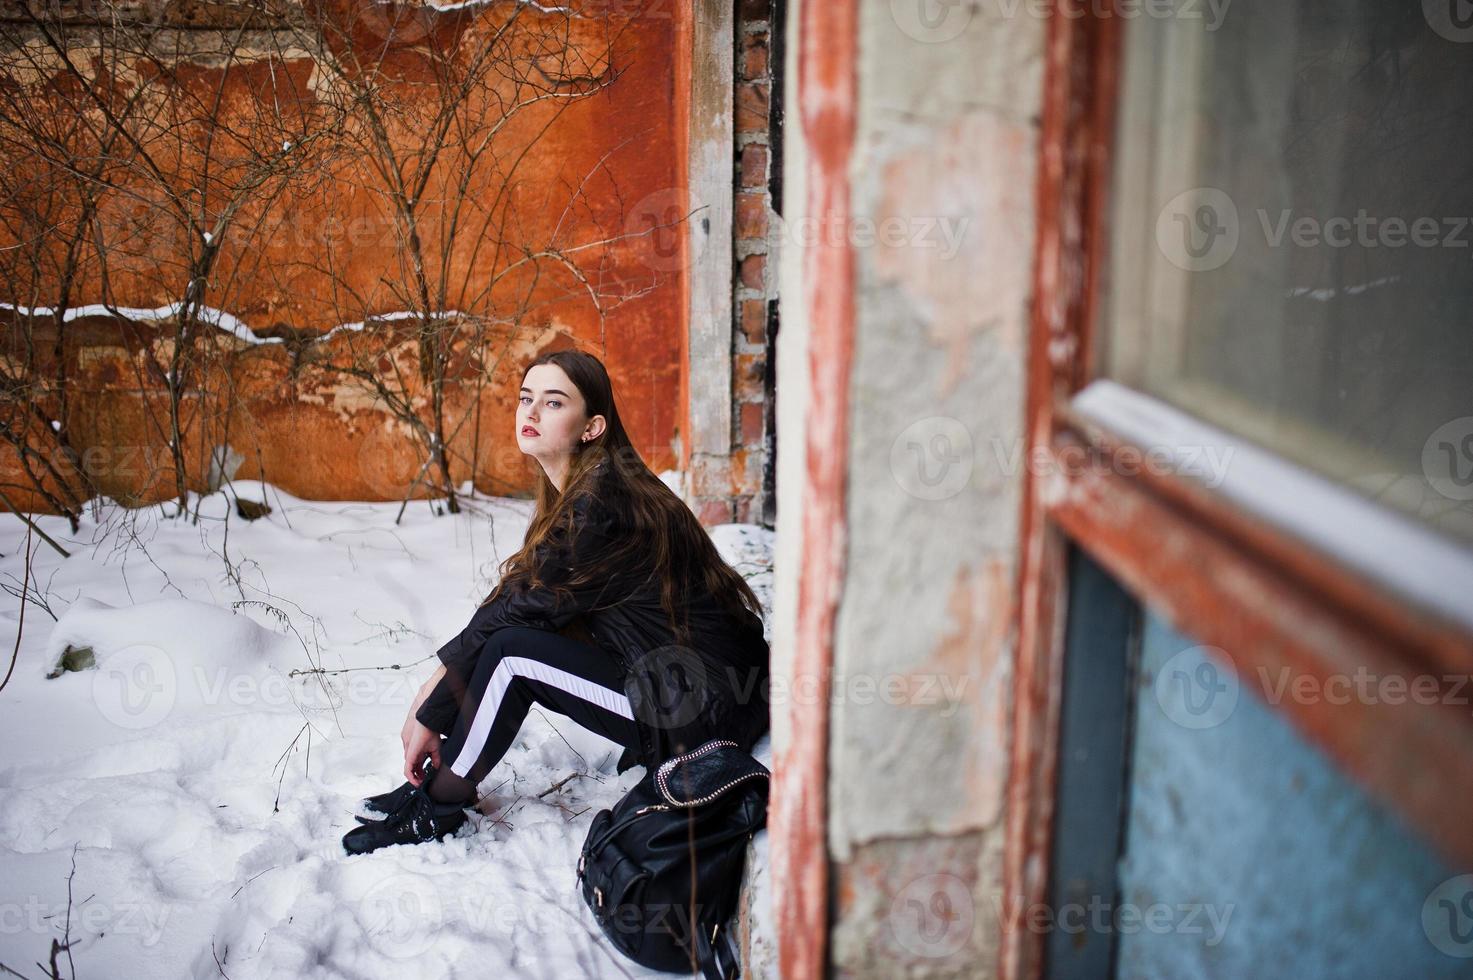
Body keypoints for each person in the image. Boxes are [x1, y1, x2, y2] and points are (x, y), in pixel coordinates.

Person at [343, 348, 771, 855]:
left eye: (552, 402)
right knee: (509, 640)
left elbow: (518, 612)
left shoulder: (604, 504)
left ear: (590, 427)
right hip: (692, 685)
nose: (530, 412)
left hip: (703, 712)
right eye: (526, 399)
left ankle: (437, 807)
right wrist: (441, 689)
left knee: (512, 656)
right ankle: (438, 780)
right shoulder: (588, 486)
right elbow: (521, 595)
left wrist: (431, 705)